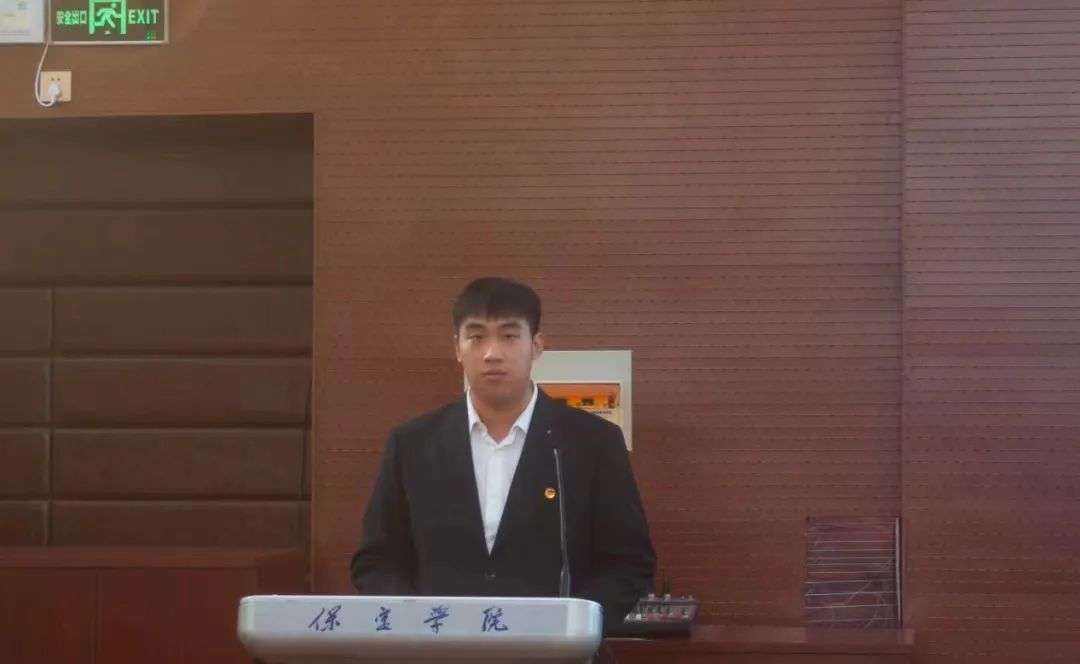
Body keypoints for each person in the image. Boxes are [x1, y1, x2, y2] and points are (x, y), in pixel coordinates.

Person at [350, 276, 655, 631]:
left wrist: (572, 626)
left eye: (509, 336)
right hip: (439, 647)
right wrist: (416, 624)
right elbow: (376, 561)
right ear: (457, 347)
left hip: (554, 651)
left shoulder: (592, 442)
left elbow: (629, 562)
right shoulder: (413, 444)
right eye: (476, 337)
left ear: (536, 345)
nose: (492, 353)